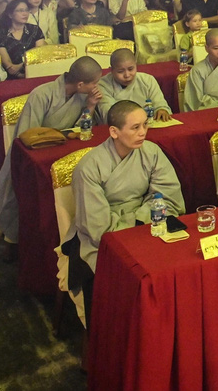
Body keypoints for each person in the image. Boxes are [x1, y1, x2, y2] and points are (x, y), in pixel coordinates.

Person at [0, 56, 104, 245]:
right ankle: (15, 240)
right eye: (94, 83)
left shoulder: (82, 96)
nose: (96, 87)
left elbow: (81, 129)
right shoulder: (41, 95)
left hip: (65, 151)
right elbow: (26, 137)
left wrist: (91, 106)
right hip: (36, 155)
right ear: (80, 84)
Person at [68, 100, 184, 273]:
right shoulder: (89, 167)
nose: (143, 132)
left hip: (150, 225)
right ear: (114, 132)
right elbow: (96, 224)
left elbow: (168, 196)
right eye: (135, 127)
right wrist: (133, 230)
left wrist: (142, 223)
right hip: (105, 239)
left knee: (179, 263)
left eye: (145, 124)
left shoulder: (152, 152)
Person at [98, 48, 171, 120]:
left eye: (130, 69)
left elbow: (160, 104)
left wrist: (161, 110)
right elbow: (110, 116)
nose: (127, 75)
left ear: (136, 65)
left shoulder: (147, 80)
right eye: (120, 71)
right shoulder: (103, 85)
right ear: (112, 70)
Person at [0, 0, 46, 78]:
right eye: (20, 11)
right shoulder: (1, 35)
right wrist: (21, 75)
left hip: (36, 73)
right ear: (10, 14)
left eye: (26, 10)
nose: (25, 14)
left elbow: (39, 55)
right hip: (12, 78)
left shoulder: (35, 30)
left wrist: (20, 66)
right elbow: (10, 67)